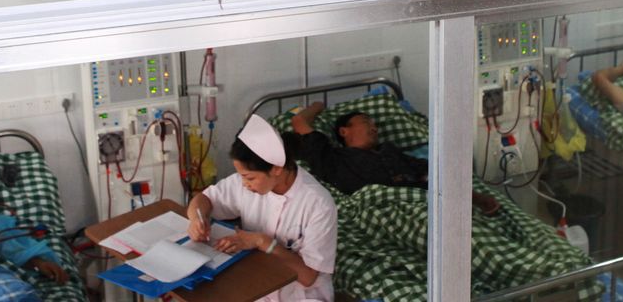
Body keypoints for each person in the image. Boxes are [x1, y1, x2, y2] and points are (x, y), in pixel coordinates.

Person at [187, 114, 338, 302]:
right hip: (258, 283)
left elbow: (308, 278)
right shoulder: (245, 184)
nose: (244, 184)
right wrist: (197, 219)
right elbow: (203, 199)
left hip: (301, 294)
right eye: (241, 176)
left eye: (249, 178)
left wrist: (263, 242)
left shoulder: (318, 203)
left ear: (276, 169)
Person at [290, 102, 501, 215]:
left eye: (375, 125)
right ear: (344, 131)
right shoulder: (332, 156)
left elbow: (427, 169)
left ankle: (471, 201)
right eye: (366, 122)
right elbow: (299, 121)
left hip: (418, 199)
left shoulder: (388, 150)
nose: (374, 128)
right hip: (377, 208)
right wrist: (318, 105)